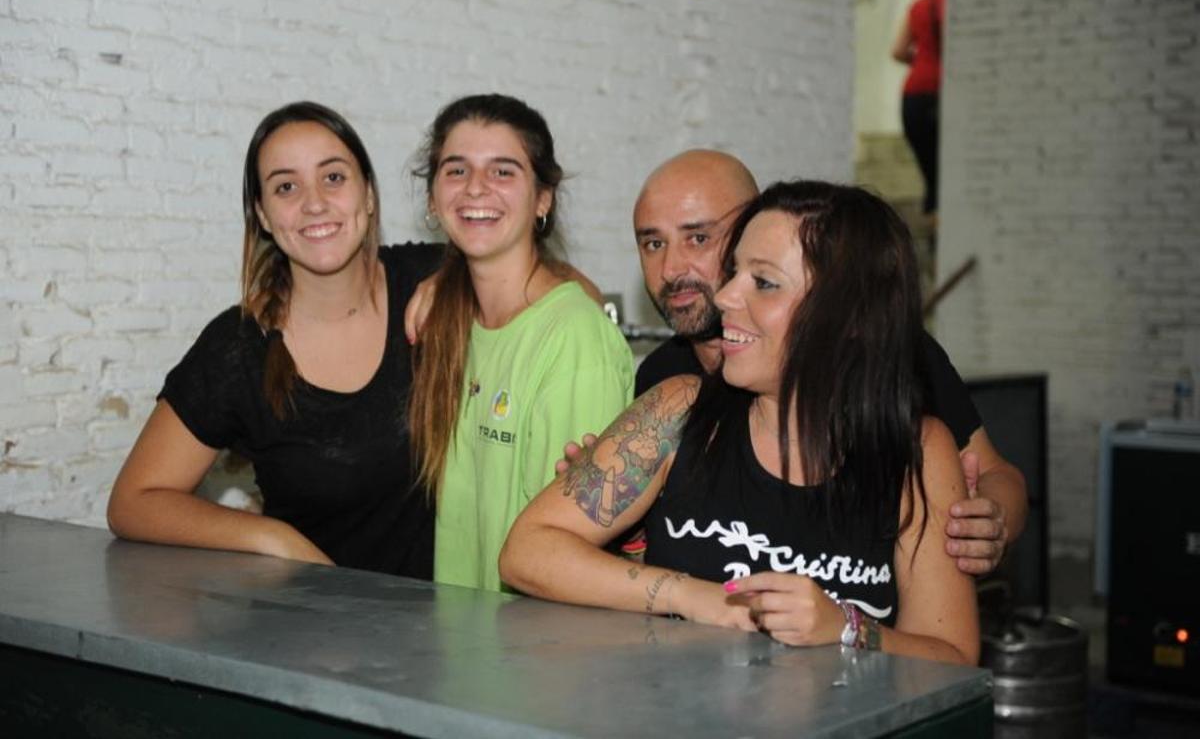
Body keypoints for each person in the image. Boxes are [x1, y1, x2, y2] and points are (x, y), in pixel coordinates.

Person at [501, 181, 979, 664]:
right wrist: (691, 596)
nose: (726, 296)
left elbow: (953, 656)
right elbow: (528, 551)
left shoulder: (917, 452)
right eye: (733, 273)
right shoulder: (678, 409)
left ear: (850, 317)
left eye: (764, 283)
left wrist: (846, 628)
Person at [623, 149, 1025, 574]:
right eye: (653, 243)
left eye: (698, 238)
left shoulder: (893, 357)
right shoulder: (663, 379)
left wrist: (989, 522)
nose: (671, 268)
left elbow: (997, 473)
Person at [107, 102, 439, 577]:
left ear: (368, 194)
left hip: (452, 615)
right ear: (262, 214)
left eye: (333, 177)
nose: (314, 203)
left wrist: (464, 278)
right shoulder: (240, 347)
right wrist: (273, 536)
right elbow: (133, 501)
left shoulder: (433, 281)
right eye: (286, 187)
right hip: (309, 618)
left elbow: (552, 288)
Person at [409, 94, 633, 592]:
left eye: (503, 171)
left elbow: (572, 553)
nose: (476, 187)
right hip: (458, 633)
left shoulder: (575, 340)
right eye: (456, 170)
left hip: (535, 637)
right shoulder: (447, 321)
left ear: (543, 199)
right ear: (432, 198)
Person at [892, 0, 946, 215]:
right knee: (948, 173)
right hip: (945, 95)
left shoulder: (920, 5)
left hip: (914, 96)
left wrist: (924, 61)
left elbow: (898, 50)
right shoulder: (970, 7)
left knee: (932, 174)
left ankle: (934, 222)